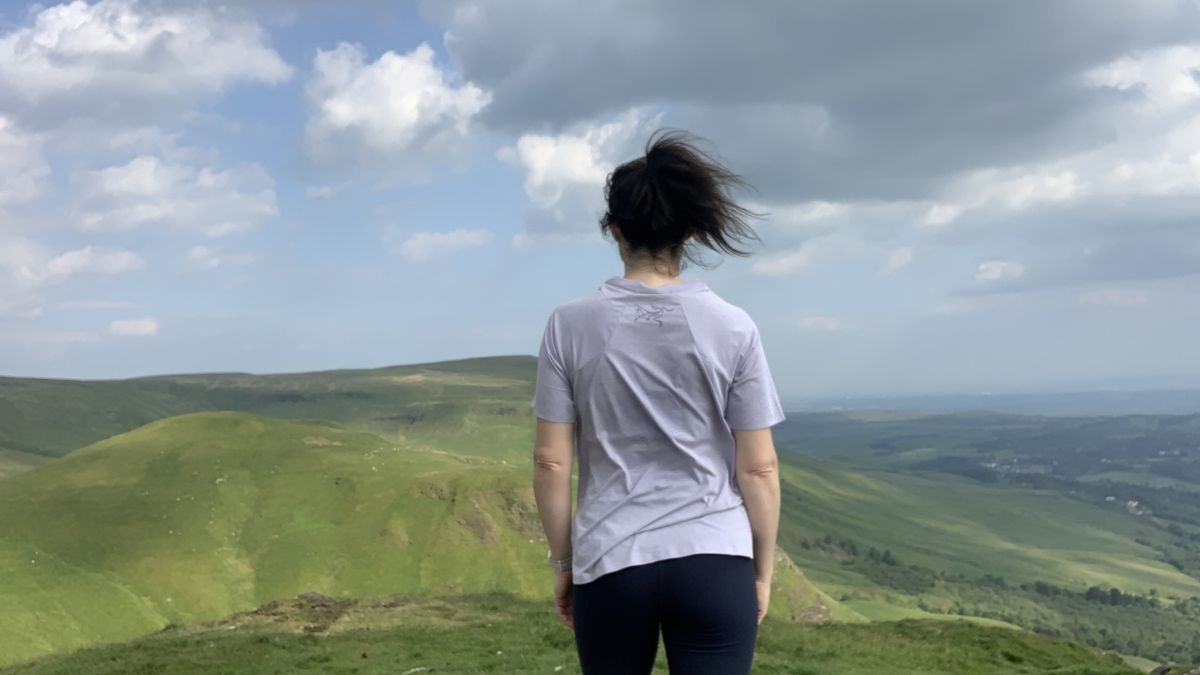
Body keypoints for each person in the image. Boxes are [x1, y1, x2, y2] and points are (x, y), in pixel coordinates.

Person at [531, 128, 786, 674]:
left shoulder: (568, 325)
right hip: (716, 558)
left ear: (615, 229)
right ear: (690, 231)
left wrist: (563, 562)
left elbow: (551, 461)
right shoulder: (734, 327)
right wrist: (759, 573)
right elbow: (759, 469)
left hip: (611, 560)